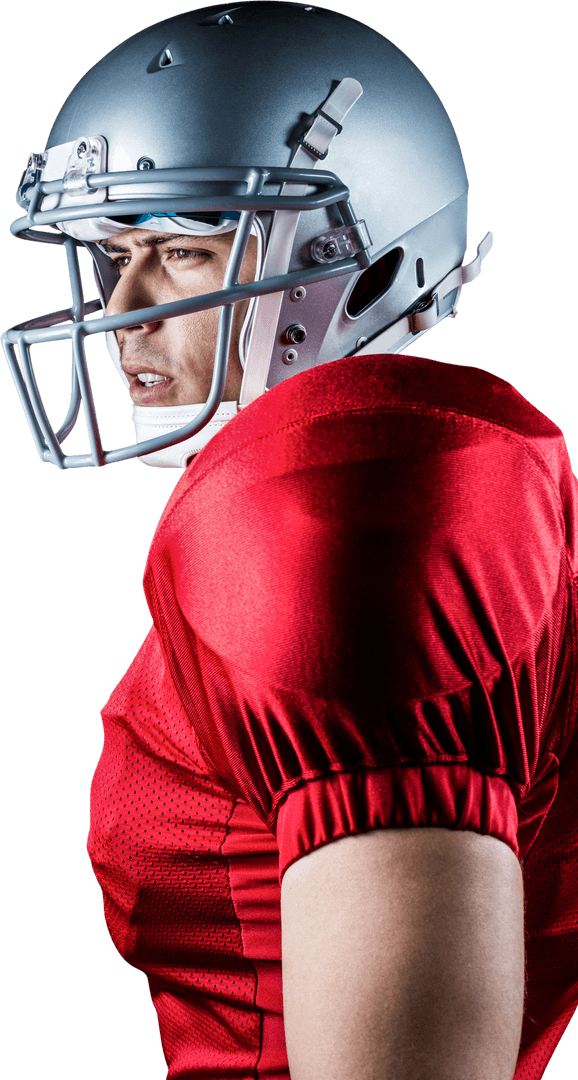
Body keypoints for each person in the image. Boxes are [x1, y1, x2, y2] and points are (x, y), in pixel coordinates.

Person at [3, 4, 576, 1079]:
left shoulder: (345, 498)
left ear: (362, 267)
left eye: (181, 250)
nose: (124, 310)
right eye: (112, 254)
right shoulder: (305, 493)